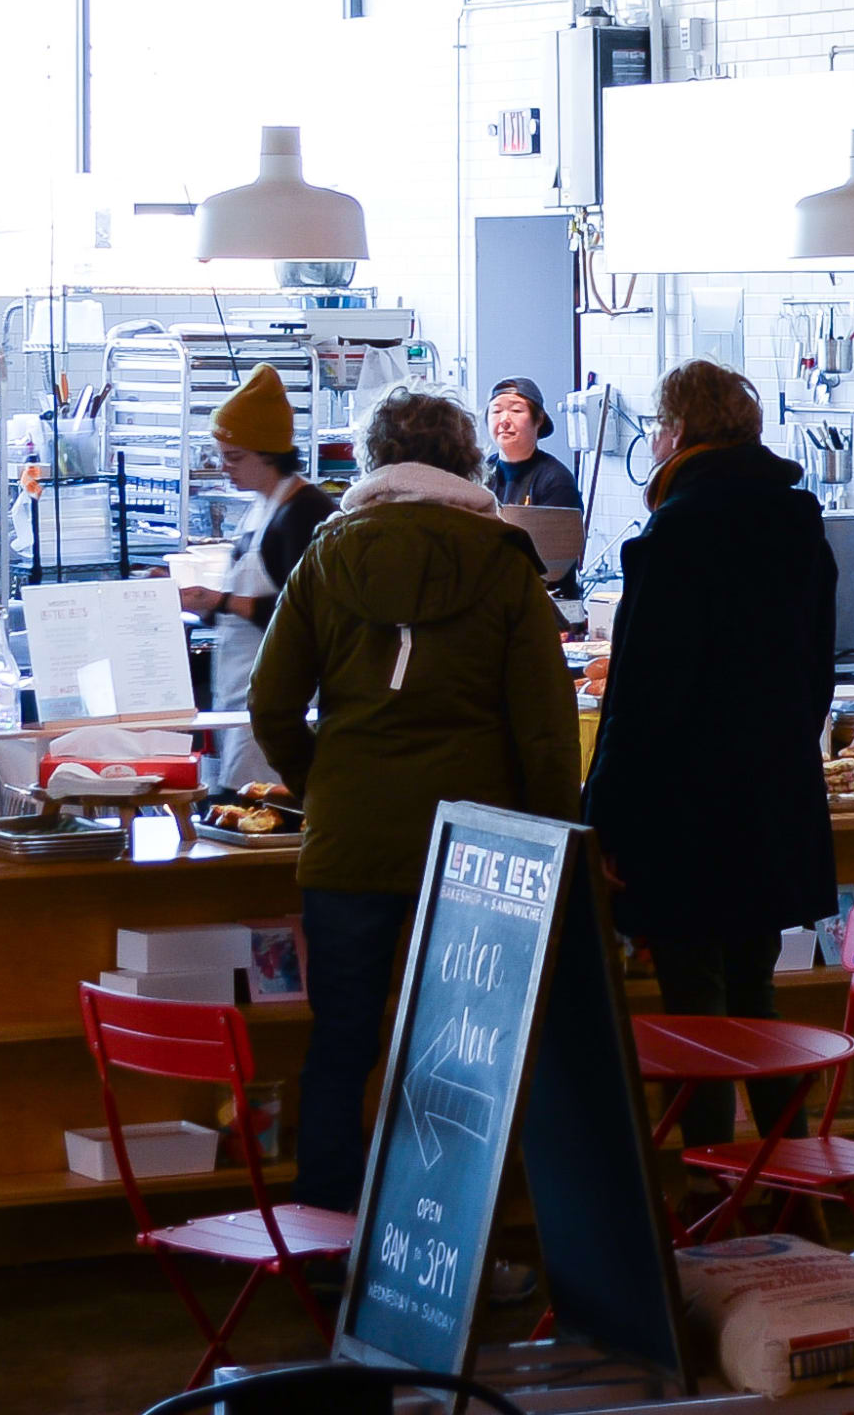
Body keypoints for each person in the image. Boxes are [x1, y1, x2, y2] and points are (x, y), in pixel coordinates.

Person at [248, 387, 582, 1213]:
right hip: (479, 849)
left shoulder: (327, 556)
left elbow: (270, 707)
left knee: (342, 1044)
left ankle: (328, 1229)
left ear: (372, 458)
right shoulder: (505, 564)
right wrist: (561, 851)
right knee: (464, 1051)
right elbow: (545, 732)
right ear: (467, 461)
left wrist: (322, 782)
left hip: (351, 840)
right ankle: (444, 1252)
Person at [584, 359, 837, 1148]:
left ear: (678, 432)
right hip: (776, 800)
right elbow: (817, 676)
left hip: (687, 815)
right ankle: (790, 1183)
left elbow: (643, 698)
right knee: (756, 995)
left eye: (659, 428)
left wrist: (605, 817)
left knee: (695, 1008)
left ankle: (707, 1187)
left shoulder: (678, 532)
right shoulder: (799, 525)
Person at [176, 363, 331, 732]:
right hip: (244, 693)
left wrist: (219, 601)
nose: (224, 468)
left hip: (287, 704)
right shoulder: (260, 505)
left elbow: (310, 617)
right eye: (222, 456)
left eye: (234, 457)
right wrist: (202, 604)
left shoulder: (306, 513)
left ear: (270, 452)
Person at [481, 377, 583, 511]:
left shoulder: (555, 480)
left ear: (539, 419)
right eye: (496, 411)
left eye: (516, 410)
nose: (504, 420)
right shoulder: (481, 473)